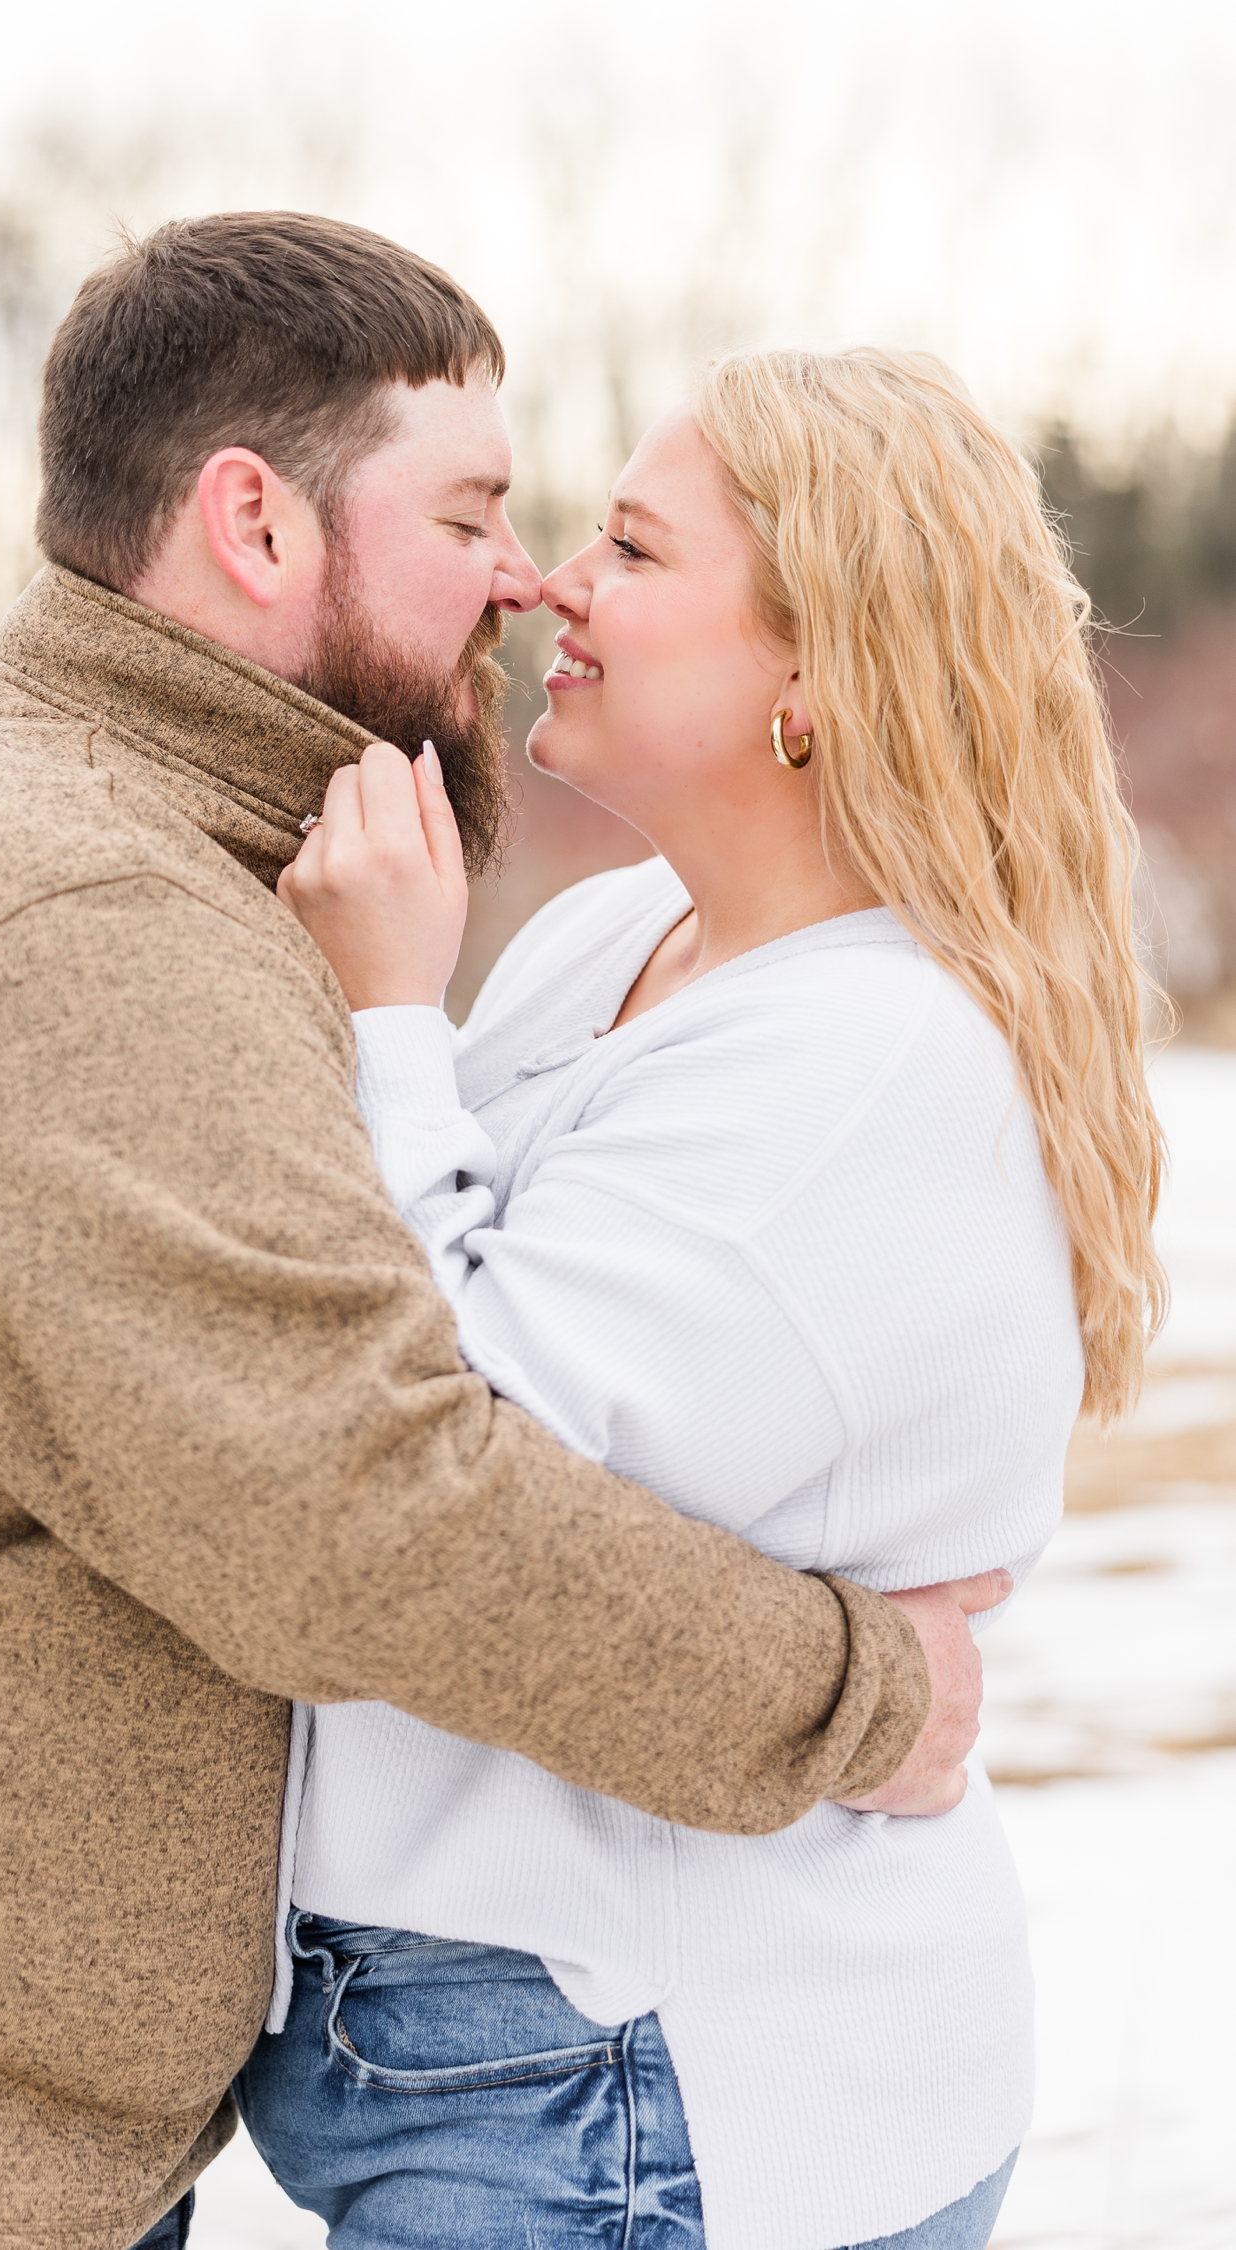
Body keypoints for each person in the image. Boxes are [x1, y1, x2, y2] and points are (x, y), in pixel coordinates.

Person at [0, 222, 993, 2250]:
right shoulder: (78, 912)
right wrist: (865, 1694)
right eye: (472, 513)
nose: (522, 577)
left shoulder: (102, 817)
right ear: (255, 522)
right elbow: (366, 1511)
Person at [242, 348, 1165, 2249]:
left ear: (812, 675)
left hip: (648, 2079)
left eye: (636, 549)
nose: (551, 582)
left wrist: (392, 1017)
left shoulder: (869, 1061)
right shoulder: (609, 938)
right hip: (508, 2045)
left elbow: (442, 1457)